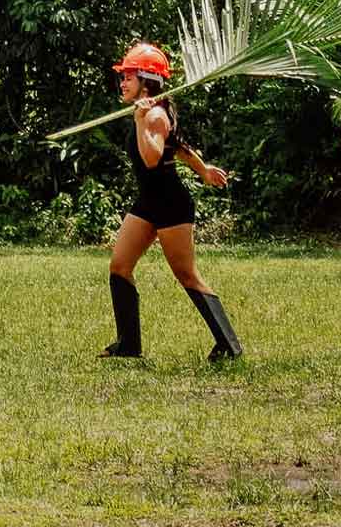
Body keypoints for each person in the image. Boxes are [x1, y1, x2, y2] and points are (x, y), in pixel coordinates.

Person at [102, 41, 243, 362]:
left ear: (146, 81)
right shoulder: (154, 110)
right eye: (122, 76)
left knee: (187, 274)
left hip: (170, 204)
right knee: (120, 266)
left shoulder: (153, 116)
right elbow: (178, 147)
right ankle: (128, 345)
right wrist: (204, 169)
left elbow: (152, 158)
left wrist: (140, 121)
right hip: (148, 202)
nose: (122, 82)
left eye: (128, 76)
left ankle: (229, 345)